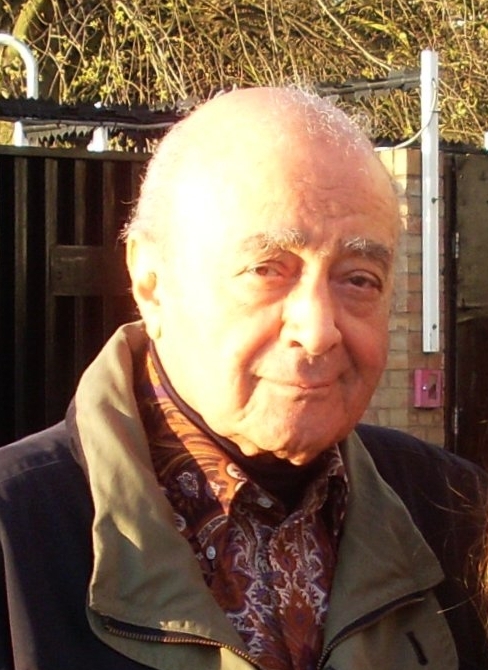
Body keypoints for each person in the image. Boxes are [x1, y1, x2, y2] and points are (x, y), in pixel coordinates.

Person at [0, 86, 486, 670]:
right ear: (151, 283)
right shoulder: (17, 537)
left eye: (358, 279)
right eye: (265, 270)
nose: (318, 330)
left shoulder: (458, 516)